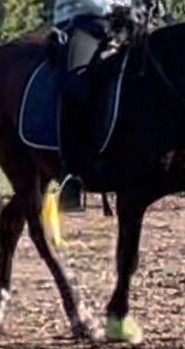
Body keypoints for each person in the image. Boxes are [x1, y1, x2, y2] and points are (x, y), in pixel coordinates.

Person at [53, 0, 136, 209]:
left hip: (130, 23)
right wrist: (113, 7)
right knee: (76, 86)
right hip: (85, 22)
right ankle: (73, 172)